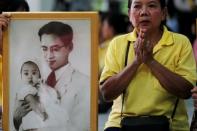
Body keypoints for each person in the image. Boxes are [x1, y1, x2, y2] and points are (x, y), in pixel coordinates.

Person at [99, 0, 196, 131]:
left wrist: (150, 61)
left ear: (164, 13)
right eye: (137, 6)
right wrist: (136, 62)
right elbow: (106, 93)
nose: (144, 12)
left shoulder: (180, 43)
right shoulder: (118, 43)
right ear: (129, 14)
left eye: (151, 5)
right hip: (121, 124)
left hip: (171, 125)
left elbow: (185, 92)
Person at [13, 21, 90, 131]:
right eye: (44, 49)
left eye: (55, 49)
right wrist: (16, 119)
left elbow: (81, 127)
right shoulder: (38, 81)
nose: (49, 56)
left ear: (70, 47)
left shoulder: (84, 83)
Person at [16, 61, 69, 131]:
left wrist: (54, 93)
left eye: (34, 73)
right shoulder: (25, 89)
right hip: (34, 115)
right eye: (26, 74)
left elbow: (49, 92)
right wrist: (41, 113)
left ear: (39, 75)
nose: (30, 76)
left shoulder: (39, 87)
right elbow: (32, 102)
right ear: (21, 76)